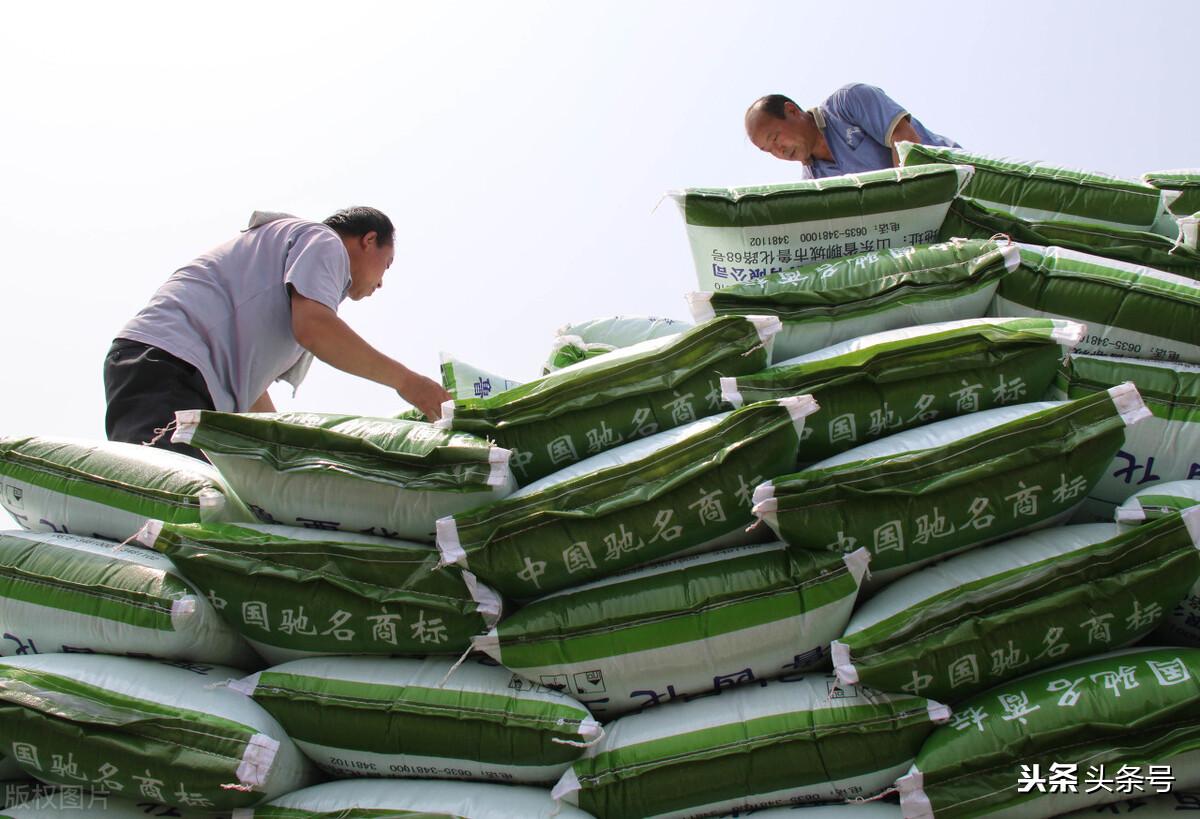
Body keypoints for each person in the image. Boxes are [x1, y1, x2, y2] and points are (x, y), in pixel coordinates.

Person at [104, 207, 450, 457]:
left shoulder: (288, 275)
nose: (381, 283)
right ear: (369, 239)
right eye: (385, 265)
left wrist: (289, 450)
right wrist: (409, 383)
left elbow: (252, 393)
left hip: (179, 373)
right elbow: (315, 329)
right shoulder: (323, 242)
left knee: (193, 495)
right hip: (168, 365)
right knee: (166, 491)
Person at [744, 83, 959, 179]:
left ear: (791, 110)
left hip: (957, 175)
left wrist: (904, 201)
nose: (778, 150)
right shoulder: (814, 185)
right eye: (768, 150)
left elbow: (905, 140)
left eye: (775, 138)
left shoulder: (847, 102)